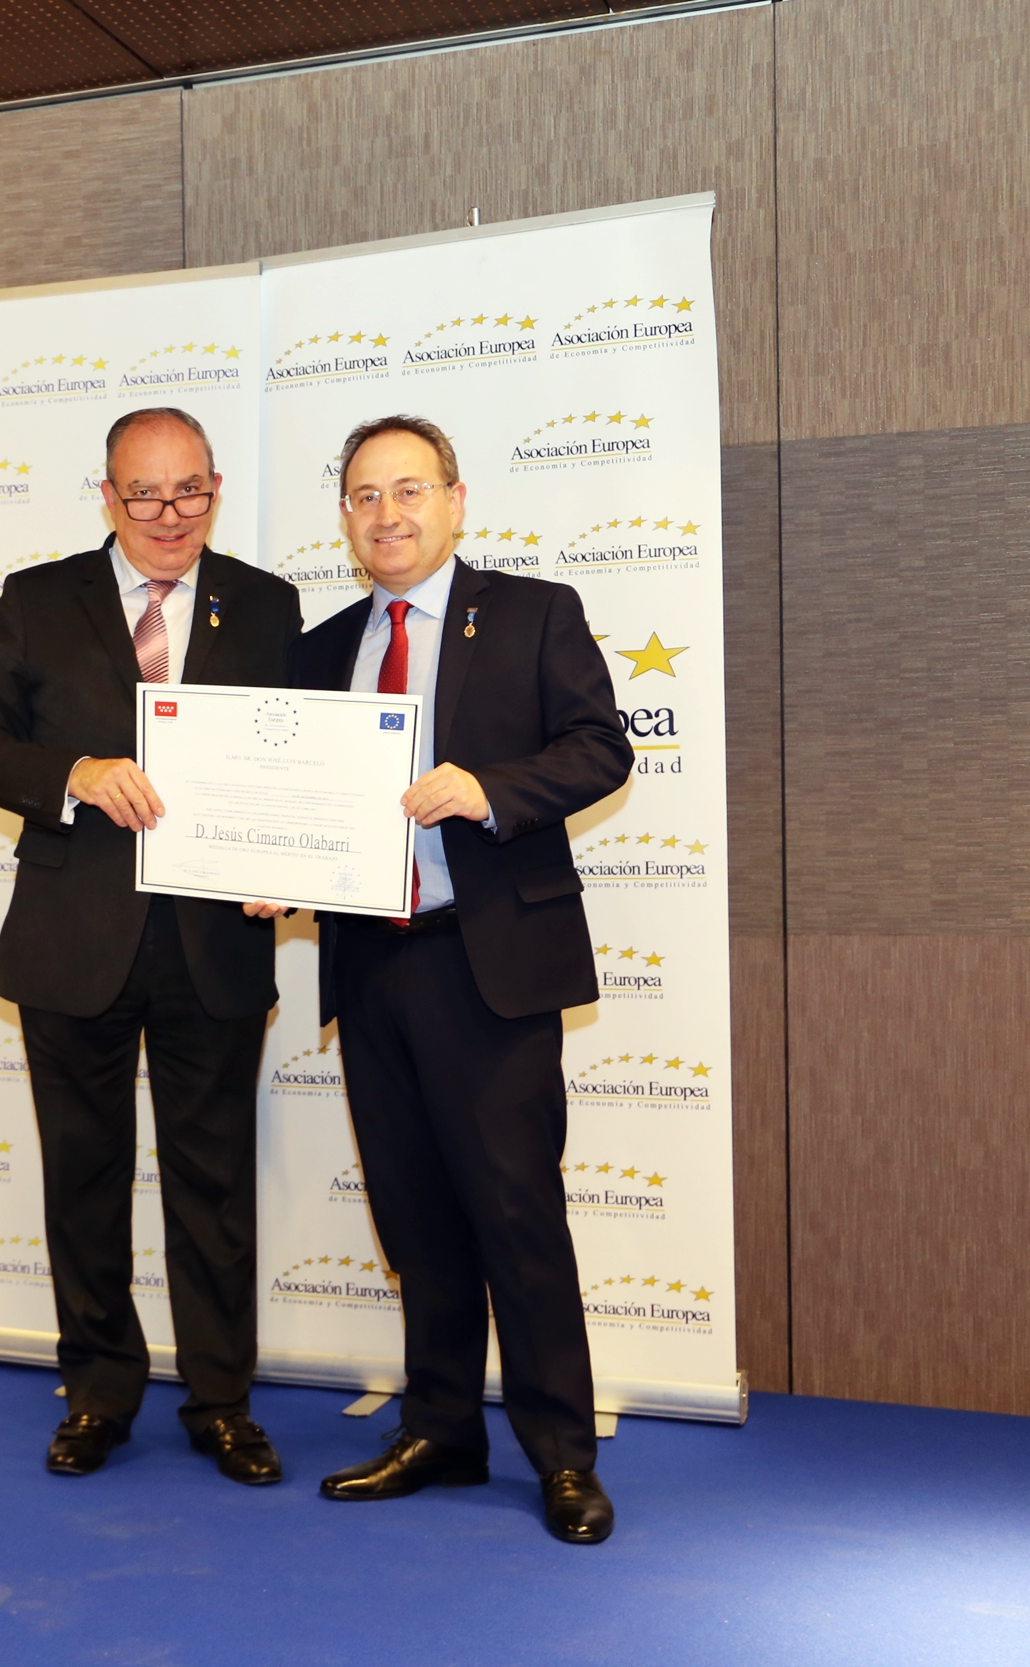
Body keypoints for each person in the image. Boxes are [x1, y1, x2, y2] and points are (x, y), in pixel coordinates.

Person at [0, 408, 301, 1483]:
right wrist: (72, 772)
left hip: (215, 942)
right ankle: (98, 1392)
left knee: (215, 1188)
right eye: (143, 493)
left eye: (188, 490)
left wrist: (292, 862)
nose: (168, 514)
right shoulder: (37, 598)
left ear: (216, 489)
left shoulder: (267, 603)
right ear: (105, 494)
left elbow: (299, 761)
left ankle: (222, 1401)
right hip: (72, 942)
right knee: (84, 1180)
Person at [294, 415, 631, 1543]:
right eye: (364, 496)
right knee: (416, 1217)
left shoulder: (533, 613)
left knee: (516, 1216)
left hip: (487, 964)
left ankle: (563, 1455)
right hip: (369, 963)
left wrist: (488, 790)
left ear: (455, 499)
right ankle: (439, 1429)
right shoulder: (322, 647)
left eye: (408, 490)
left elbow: (600, 747)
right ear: (345, 518)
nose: (386, 514)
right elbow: (303, 806)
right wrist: (278, 876)